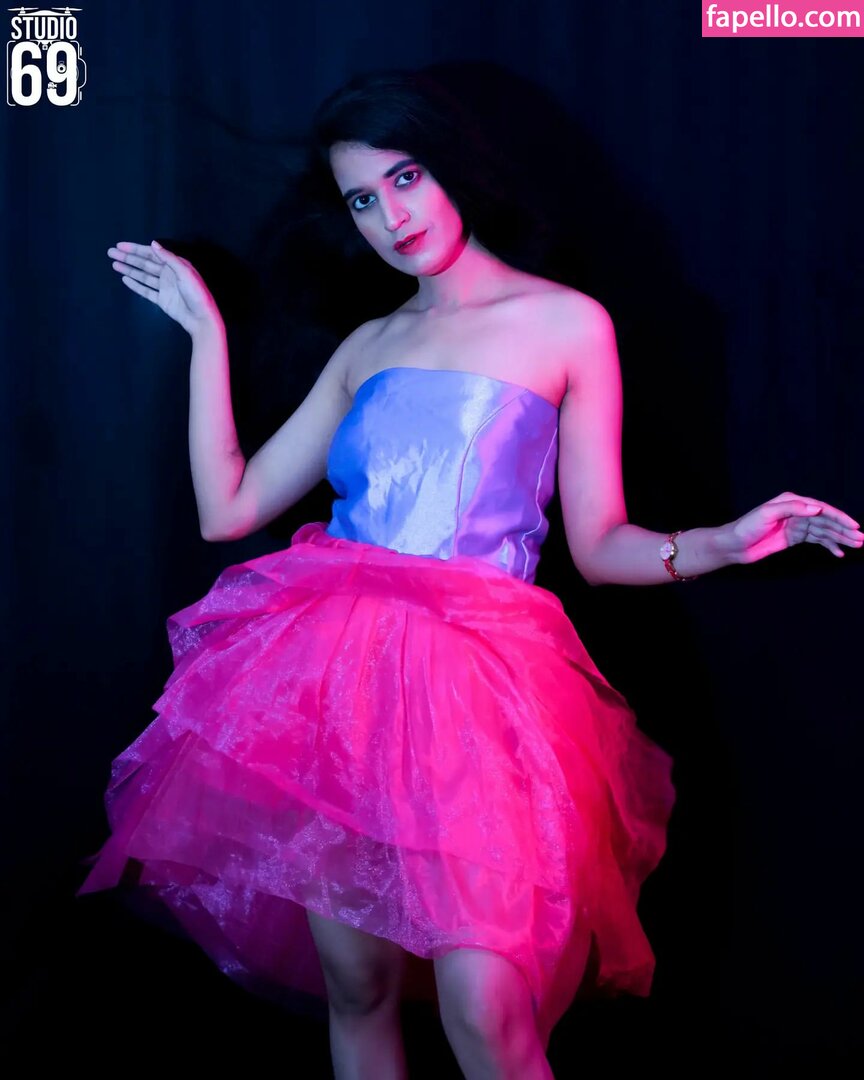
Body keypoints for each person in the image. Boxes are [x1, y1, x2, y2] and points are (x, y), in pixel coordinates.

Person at [78, 68, 862, 1080]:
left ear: (451, 166)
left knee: (488, 1014)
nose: (391, 216)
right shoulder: (370, 345)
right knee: (357, 990)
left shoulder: (565, 323)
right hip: (337, 688)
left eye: (405, 177)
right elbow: (228, 507)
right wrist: (206, 335)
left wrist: (722, 542)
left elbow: (600, 544)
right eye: (363, 199)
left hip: (479, 694)